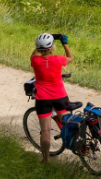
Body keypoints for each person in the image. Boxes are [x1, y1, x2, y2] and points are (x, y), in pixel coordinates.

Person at [30, 33, 72, 163]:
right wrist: (64, 43)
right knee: (68, 125)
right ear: (51, 47)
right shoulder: (58, 59)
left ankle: (46, 158)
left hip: (43, 99)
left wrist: (40, 45)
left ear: (39, 48)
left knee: (45, 130)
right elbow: (70, 57)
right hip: (60, 97)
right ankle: (80, 147)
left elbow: (34, 54)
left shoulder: (35, 61)